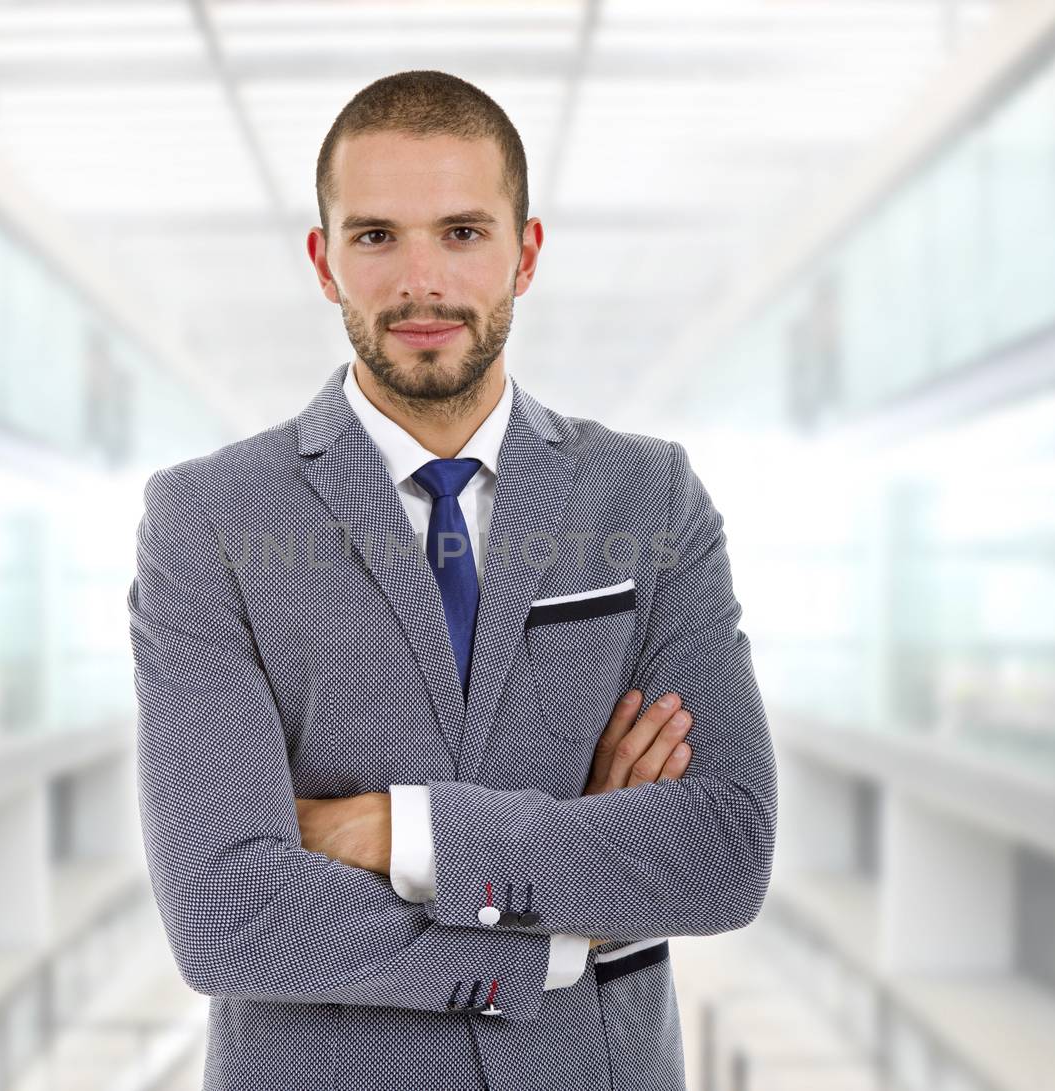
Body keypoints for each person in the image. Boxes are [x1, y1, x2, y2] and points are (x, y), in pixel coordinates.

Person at [127, 69, 776, 1091]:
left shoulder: (647, 497)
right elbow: (229, 915)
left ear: (526, 254)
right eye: (377, 235)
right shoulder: (209, 519)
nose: (420, 282)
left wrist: (399, 830)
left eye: (463, 233)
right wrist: (568, 916)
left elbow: (723, 847)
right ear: (324, 259)